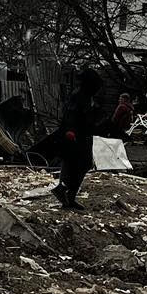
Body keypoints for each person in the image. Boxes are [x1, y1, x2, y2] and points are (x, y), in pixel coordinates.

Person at [52, 68, 107, 209]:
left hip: (82, 135)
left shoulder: (85, 96)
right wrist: (71, 131)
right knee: (76, 164)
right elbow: (71, 115)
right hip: (75, 136)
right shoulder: (79, 96)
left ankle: (69, 196)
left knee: (78, 164)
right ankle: (63, 190)